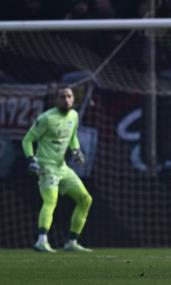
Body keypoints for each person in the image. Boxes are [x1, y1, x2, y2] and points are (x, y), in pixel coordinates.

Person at [22, 86, 93, 253]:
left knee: (85, 200)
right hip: (46, 166)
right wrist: (31, 160)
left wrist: (76, 150)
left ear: (74, 99)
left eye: (69, 96)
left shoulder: (74, 115)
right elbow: (27, 140)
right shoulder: (46, 118)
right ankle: (41, 241)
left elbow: (73, 136)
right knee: (50, 200)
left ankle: (71, 242)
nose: (66, 100)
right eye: (62, 97)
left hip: (62, 167)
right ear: (56, 100)